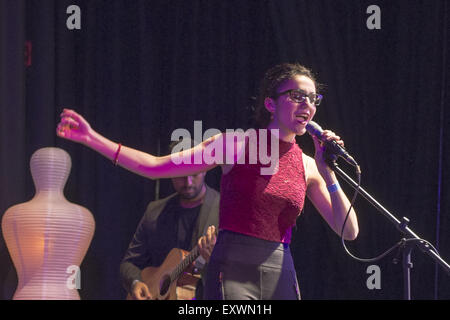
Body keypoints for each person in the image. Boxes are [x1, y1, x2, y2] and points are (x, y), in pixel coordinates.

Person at [57, 62, 359, 300]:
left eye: (313, 98)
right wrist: (91, 138)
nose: (307, 104)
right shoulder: (235, 145)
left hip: (282, 270)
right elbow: (154, 166)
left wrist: (327, 171)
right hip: (233, 268)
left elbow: (349, 230)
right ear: (270, 104)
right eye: (297, 96)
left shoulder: (309, 165)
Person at [119, 140, 220, 300]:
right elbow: (129, 264)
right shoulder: (155, 211)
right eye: (180, 174)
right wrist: (135, 283)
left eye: (194, 173)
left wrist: (214, 261)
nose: (188, 182)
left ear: (205, 169)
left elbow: (240, 272)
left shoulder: (223, 212)